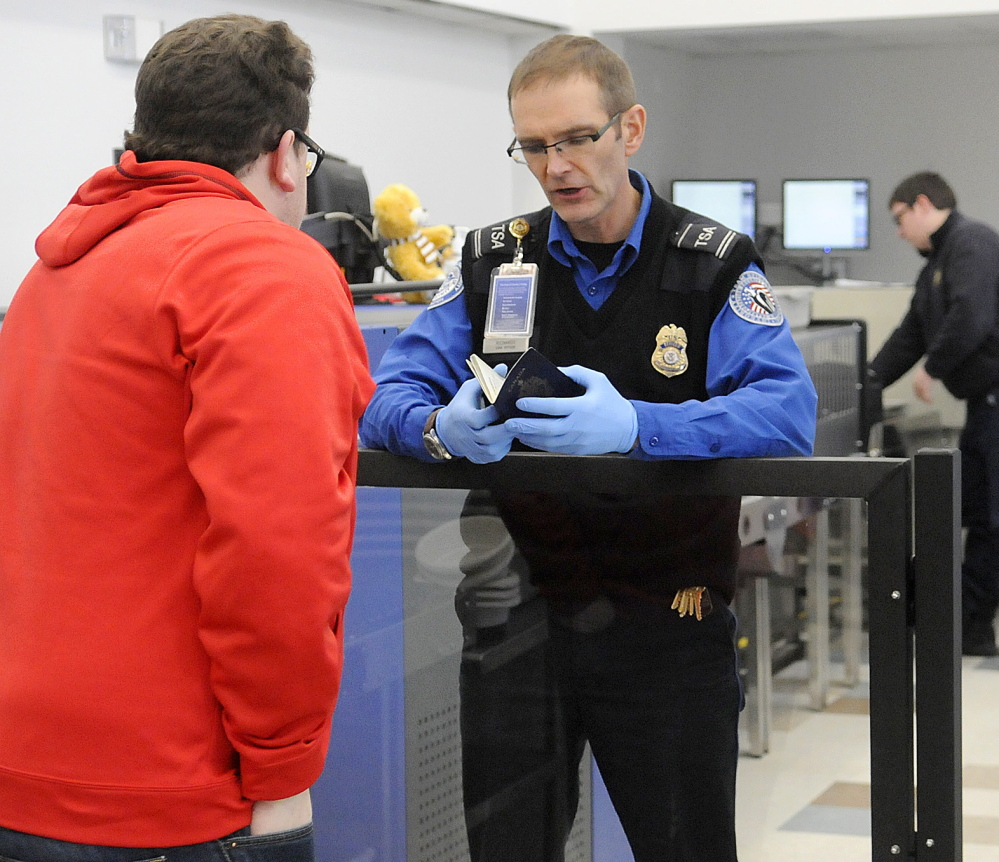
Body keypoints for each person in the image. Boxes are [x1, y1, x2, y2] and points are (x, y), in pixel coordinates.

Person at [360, 34, 816, 862]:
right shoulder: (494, 259)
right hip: (515, 618)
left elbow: (786, 413)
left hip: (666, 625)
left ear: (630, 128)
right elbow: (385, 396)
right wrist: (436, 427)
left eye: (575, 138)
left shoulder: (710, 264)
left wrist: (641, 427)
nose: (555, 165)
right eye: (533, 146)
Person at [0, 15, 374, 861]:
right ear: (285, 153)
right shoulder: (261, 269)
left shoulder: (54, 272)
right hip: (174, 795)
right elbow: (276, 550)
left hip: (23, 766)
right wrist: (280, 766)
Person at [870, 171, 999, 657]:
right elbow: (913, 332)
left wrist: (932, 369)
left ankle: (973, 627)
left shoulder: (972, 243)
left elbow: (972, 316)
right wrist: (869, 379)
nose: (900, 232)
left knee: (991, 520)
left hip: (994, 404)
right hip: (983, 407)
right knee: (976, 515)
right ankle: (969, 628)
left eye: (899, 219)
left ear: (922, 204)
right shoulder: (937, 262)